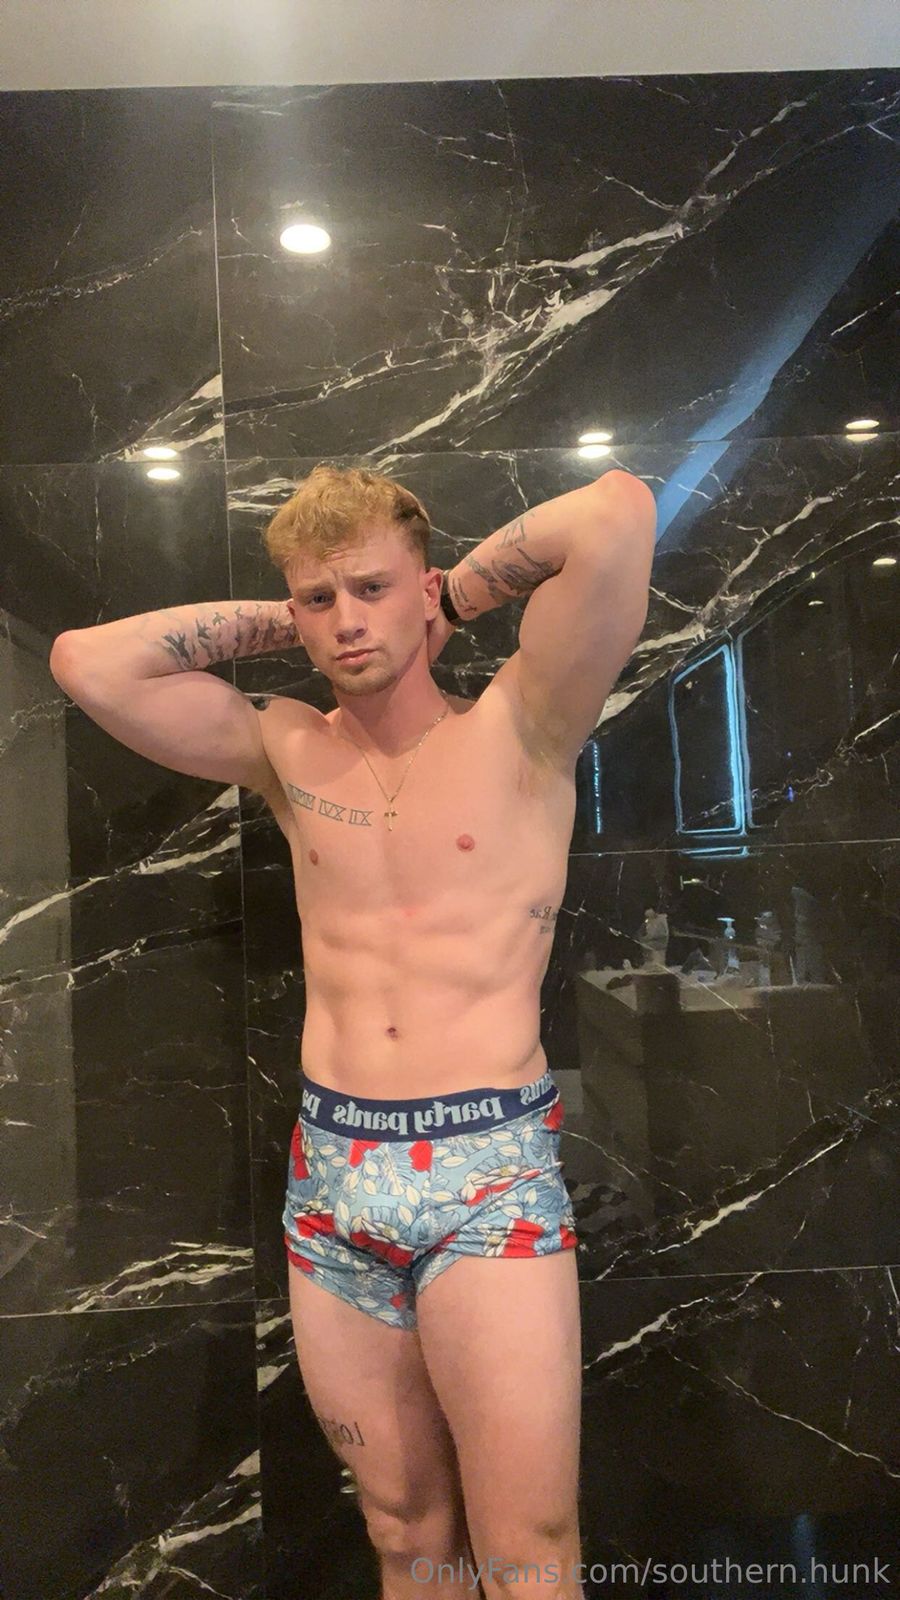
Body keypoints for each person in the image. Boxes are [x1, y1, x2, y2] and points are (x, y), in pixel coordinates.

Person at [49, 462, 656, 1599]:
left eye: (371, 589)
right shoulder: (288, 749)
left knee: (528, 1544)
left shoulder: (524, 723)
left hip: (487, 1178)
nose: (346, 620)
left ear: (420, 588)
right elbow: (88, 662)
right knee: (402, 1529)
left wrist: (451, 599)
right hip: (332, 1180)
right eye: (318, 600)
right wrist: (297, 615)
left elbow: (616, 511)